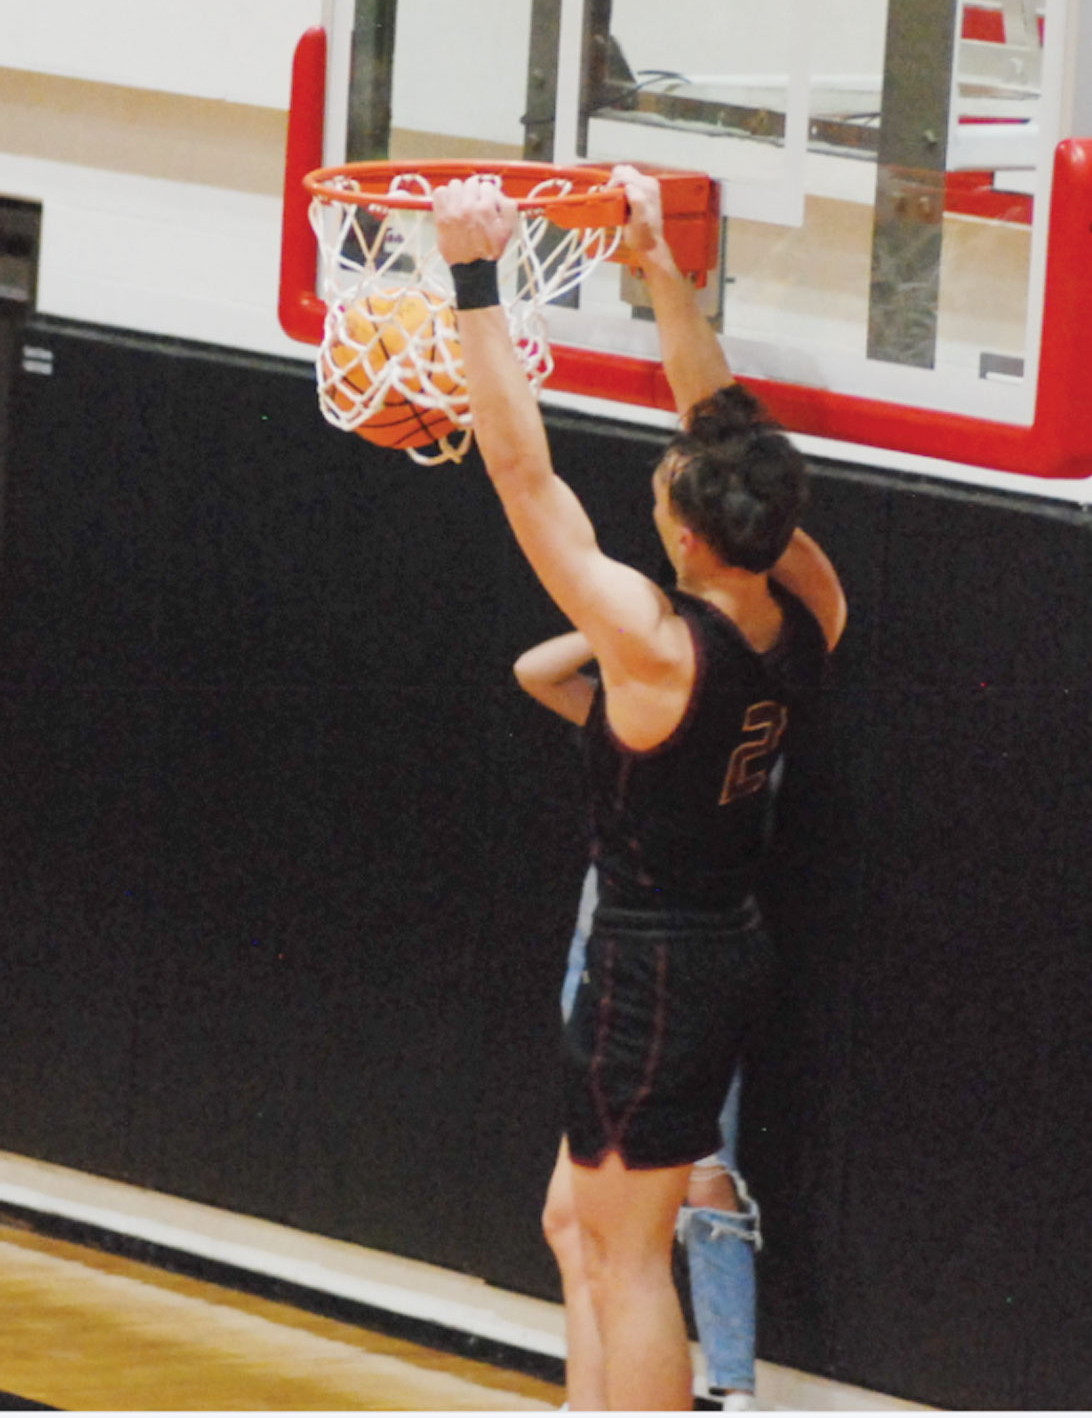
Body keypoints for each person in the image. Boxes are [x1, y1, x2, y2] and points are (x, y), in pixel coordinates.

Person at [431, 164, 846, 1412]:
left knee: (625, 1262)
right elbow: (727, 431)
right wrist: (659, 265)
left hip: (652, 972)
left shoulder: (656, 646)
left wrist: (474, 278)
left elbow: (524, 478)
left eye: (667, 491)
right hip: (713, 949)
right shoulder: (811, 604)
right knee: (578, 1228)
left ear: (685, 536)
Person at [513, 630, 765, 1409]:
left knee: (663, 1221)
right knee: (574, 1222)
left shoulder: (705, 718)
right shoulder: (651, 709)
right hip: (624, 958)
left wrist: (649, 623)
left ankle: (731, 1384)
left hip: (660, 970)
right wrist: (623, 622)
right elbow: (535, 672)